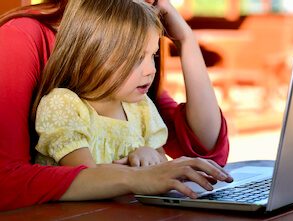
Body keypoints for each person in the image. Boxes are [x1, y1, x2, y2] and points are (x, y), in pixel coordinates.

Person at [0, 0, 231, 211]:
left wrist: (186, 40)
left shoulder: (131, 85)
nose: (150, 68)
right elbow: (6, 181)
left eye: (154, 55)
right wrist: (134, 177)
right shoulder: (21, 37)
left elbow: (205, 149)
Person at [33, 0, 169, 167]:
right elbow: (86, 178)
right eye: (137, 58)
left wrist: (150, 154)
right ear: (91, 55)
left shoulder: (142, 107)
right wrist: (137, 171)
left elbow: (164, 167)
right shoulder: (63, 105)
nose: (151, 70)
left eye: (153, 56)